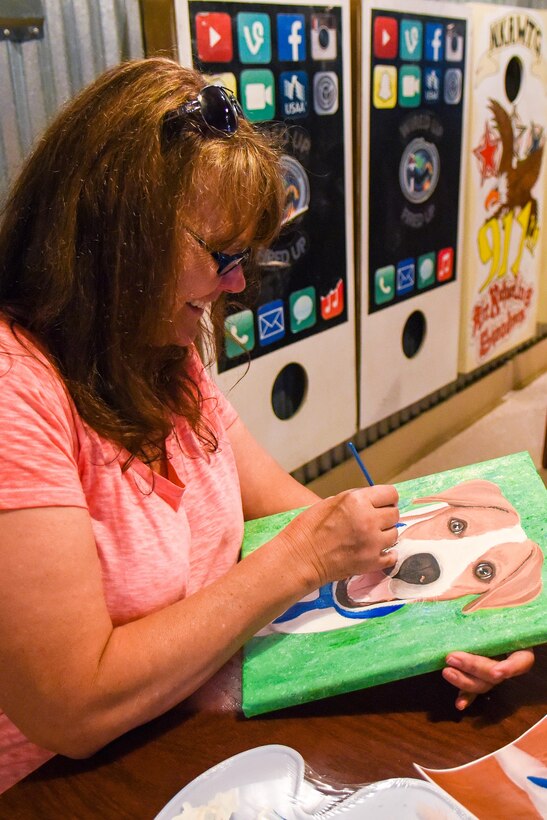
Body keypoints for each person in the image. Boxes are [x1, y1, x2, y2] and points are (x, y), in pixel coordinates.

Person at [0, 57, 534, 795]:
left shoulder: (156, 348)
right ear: (117, 234)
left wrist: (456, 622)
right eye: (220, 255)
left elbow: (308, 519)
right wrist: (296, 564)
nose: (237, 285)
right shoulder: (15, 389)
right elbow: (73, 707)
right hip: (64, 786)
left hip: (185, 734)